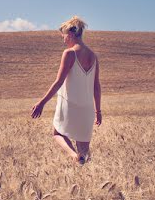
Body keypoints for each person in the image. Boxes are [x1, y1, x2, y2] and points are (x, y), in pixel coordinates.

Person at [30, 16, 102, 164]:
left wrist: (41, 103)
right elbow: (96, 86)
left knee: (57, 133)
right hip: (87, 109)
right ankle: (84, 168)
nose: (63, 39)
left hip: (69, 105)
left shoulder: (69, 53)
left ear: (70, 34)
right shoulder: (93, 56)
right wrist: (98, 111)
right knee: (85, 151)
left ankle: (74, 156)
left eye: (63, 35)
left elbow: (59, 82)